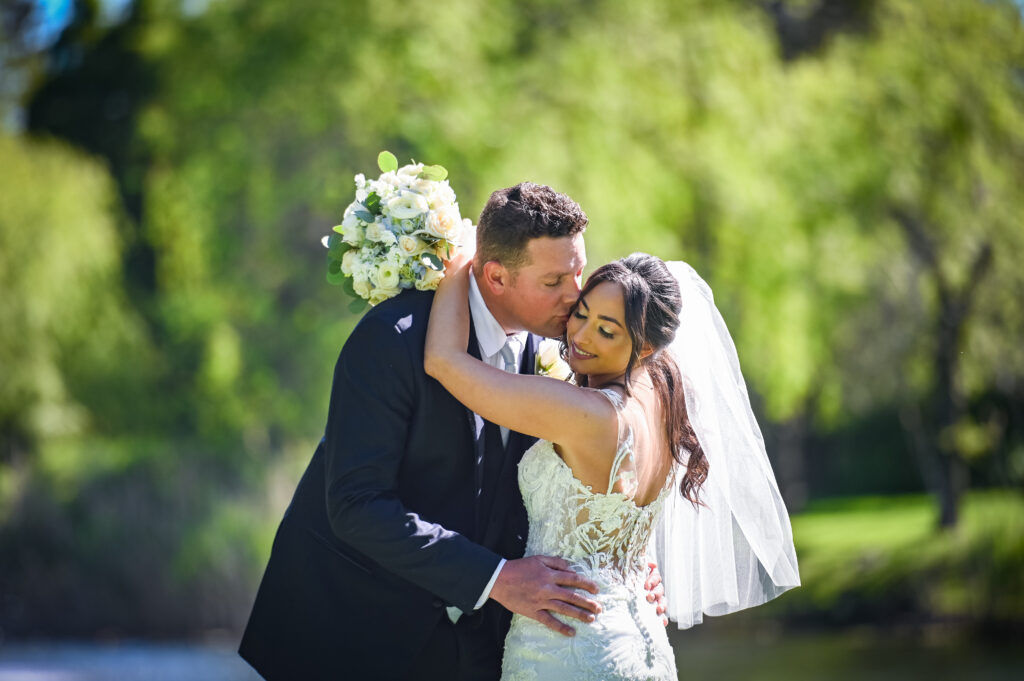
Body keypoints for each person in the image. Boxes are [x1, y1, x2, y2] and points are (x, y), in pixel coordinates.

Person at [238, 183, 665, 681]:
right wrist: (496, 578)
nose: (575, 296)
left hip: (481, 644)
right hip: (357, 634)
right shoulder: (392, 341)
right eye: (554, 281)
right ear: (495, 276)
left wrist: (618, 560)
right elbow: (356, 504)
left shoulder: (562, 353)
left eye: (577, 271)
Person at [424, 253, 801, 680]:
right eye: (580, 314)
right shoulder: (666, 397)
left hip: (566, 647)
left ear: (644, 346)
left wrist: (458, 264)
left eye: (605, 330)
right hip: (642, 640)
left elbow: (443, 362)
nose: (581, 336)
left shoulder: (587, 414)